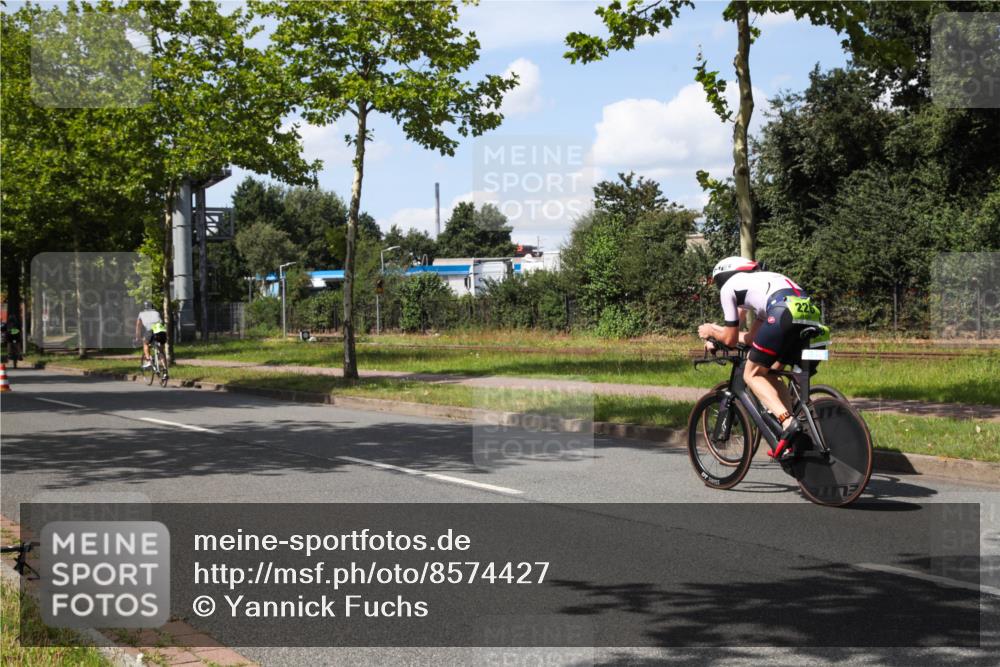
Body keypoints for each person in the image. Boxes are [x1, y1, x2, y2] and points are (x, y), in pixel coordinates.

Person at [697, 257, 827, 460]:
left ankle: (787, 422)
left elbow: (731, 339)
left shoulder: (728, 287)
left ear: (723, 277)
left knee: (752, 374)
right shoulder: (764, 285)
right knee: (770, 371)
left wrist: (711, 330)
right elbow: (750, 338)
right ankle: (794, 434)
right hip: (810, 316)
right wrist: (720, 335)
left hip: (783, 313)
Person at [135, 301, 167, 367]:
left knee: (145, 343)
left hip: (151, 330)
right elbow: (162, 322)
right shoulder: (157, 312)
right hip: (161, 331)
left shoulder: (141, 314)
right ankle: (165, 371)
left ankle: (148, 360)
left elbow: (138, 326)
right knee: (161, 351)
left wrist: (138, 337)